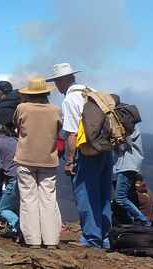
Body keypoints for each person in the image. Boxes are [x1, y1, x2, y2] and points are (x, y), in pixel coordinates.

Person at [48, 63, 112, 249]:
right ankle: (106, 236)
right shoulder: (93, 93)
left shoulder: (70, 100)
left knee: (85, 194)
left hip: (86, 151)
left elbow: (72, 134)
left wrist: (70, 160)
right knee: (103, 194)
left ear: (63, 81)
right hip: (105, 148)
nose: (56, 87)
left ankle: (92, 238)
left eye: (57, 82)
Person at [13, 78, 63, 249]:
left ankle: (32, 240)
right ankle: (51, 240)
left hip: (25, 158)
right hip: (48, 159)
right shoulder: (56, 110)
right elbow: (58, 130)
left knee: (28, 199)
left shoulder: (22, 108)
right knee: (48, 199)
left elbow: (16, 125)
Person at [112, 96, 151, 226]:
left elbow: (124, 145)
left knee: (120, 197)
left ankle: (143, 220)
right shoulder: (132, 125)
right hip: (131, 164)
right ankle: (134, 221)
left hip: (126, 165)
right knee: (127, 195)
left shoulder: (126, 127)